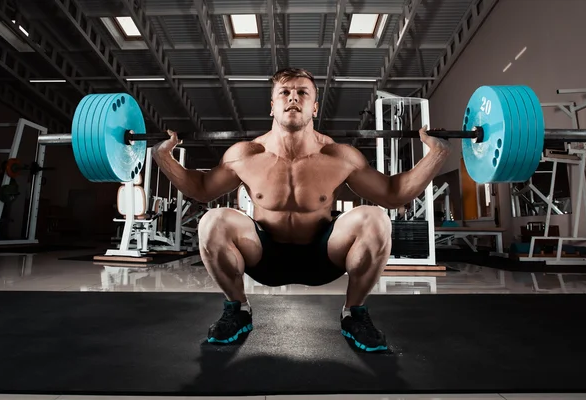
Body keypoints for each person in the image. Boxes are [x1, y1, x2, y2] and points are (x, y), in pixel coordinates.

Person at [152, 68, 451, 352]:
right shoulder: (245, 155)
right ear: (272, 106)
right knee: (212, 222)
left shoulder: (339, 156)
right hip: (264, 256)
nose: (293, 98)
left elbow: (392, 194)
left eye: (302, 93)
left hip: (322, 256)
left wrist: (436, 154)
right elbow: (202, 188)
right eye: (284, 92)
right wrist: (164, 157)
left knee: (376, 219)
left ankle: (354, 313)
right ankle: (237, 309)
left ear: (315, 107)